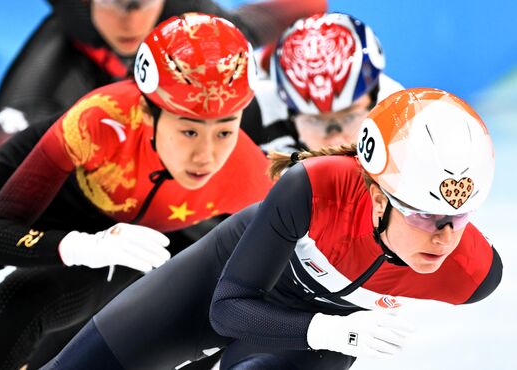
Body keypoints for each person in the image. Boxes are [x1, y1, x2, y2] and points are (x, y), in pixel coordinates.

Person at [42, 87, 502, 370]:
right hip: (237, 283)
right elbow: (227, 309)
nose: (445, 237)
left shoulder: (472, 273)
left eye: (459, 218)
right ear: (378, 196)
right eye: (424, 214)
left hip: (320, 336)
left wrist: (331, 336)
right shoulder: (315, 187)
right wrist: (332, 333)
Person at [0, 13, 274, 370]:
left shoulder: (251, 175)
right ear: (147, 112)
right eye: (189, 132)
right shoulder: (98, 120)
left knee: (23, 303)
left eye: (225, 132)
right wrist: (82, 245)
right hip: (59, 190)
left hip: (133, 237)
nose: (206, 157)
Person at [0, 0, 327, 159]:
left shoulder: (192, 17)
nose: (129, 22)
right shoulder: (44, 78)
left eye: (141, 4)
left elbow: (304, 7)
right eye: (115, 3)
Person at [250, 12, 403, 154]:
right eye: (315, 119)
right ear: (290, 112)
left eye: (349, 117)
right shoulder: (253, 114)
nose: (335, 143)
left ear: (375, 97)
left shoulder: (397, 117)